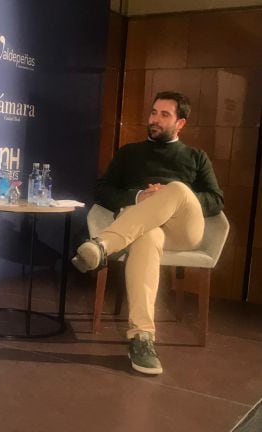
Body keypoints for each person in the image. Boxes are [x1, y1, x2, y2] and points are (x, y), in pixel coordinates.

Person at [72, 91, 223, 375]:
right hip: (141, 228)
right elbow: (102, 190)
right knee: (148, 235)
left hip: (182, 230)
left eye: (164, 115)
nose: (154, 119)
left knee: (178, 188)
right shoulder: (129, 153)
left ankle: (102, 245)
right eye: (153, 112)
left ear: (181, 123)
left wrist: (168, 197)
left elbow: (216, 200)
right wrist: (140, 196)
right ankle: (142, 337)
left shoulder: (195, 157)